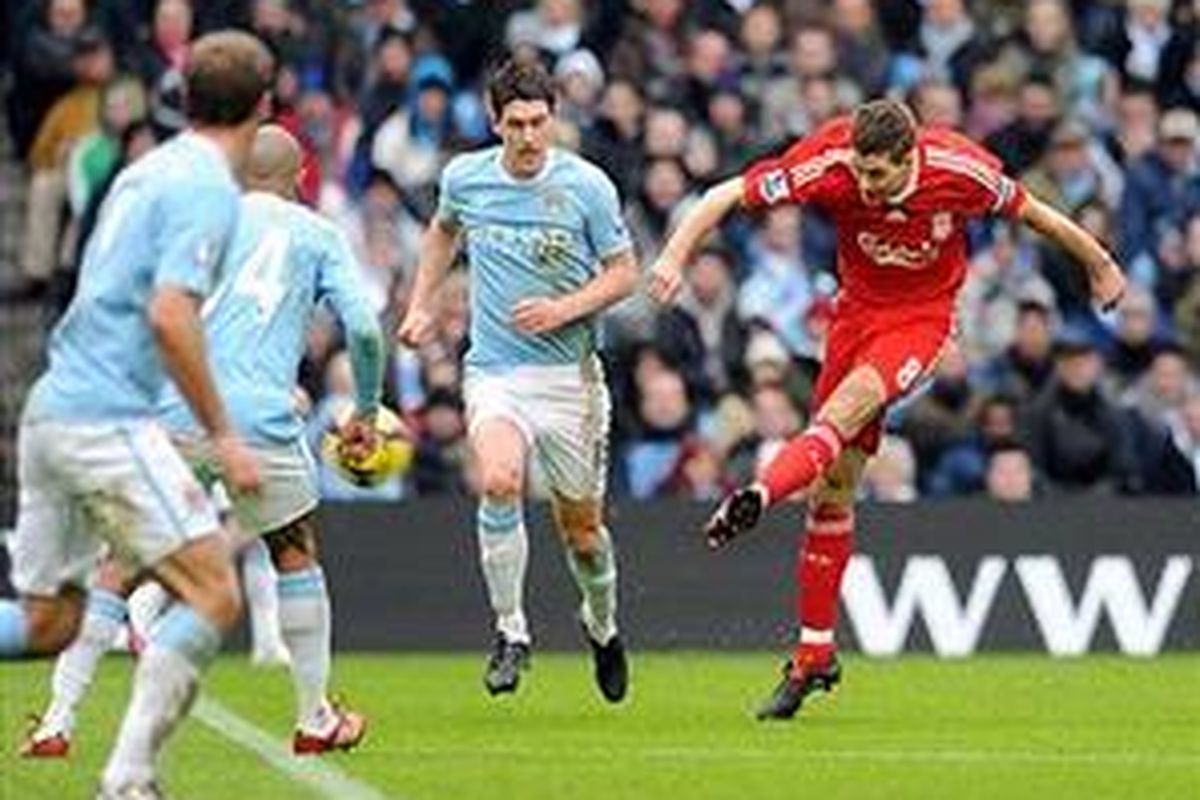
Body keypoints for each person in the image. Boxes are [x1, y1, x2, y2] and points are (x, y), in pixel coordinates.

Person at [648, 98, 1126, 720]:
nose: (865, 185)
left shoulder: (959, 171)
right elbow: (723, 195)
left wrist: (1101, 265)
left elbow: (1036, 214)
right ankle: (814, 657)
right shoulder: (833, 163)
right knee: (833, 490)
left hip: (921, 322)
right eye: (859, 170)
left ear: (909, 158)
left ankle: (761, 493)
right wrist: (673, 256)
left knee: (847, 409)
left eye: (876, 174)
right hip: (853, 317)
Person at [21, 126, 386, 761]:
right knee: (293, 551)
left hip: (173, 412)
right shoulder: (317, 233)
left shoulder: (200, 218)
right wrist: (368, 408)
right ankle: (314, 718)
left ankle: (58, 720)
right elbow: (364, 329)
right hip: (262, 421)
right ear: (301, 178)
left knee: (118, 565)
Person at [0, 31, 273, 800]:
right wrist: (223, 434)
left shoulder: (144, 169)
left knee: (49, 623)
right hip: (104, 418)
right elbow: (170, 316)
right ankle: (126, 782)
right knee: (214, 591)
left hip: (53, 408)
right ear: (264, 104)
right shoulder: (208, 188)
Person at [398, 58, 638, 702]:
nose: (529, 137)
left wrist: (564, 309)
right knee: (500, 480)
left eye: (538, 122)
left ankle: (602, 625)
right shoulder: (466, 177)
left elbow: (624, 273)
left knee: (583, 536)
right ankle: (511, 630)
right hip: (496, 370)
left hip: (569, 379)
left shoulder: (587, 186)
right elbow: (441, 232)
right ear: (494, 121)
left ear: (553, 118)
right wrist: (421, 305)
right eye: (516, 124)